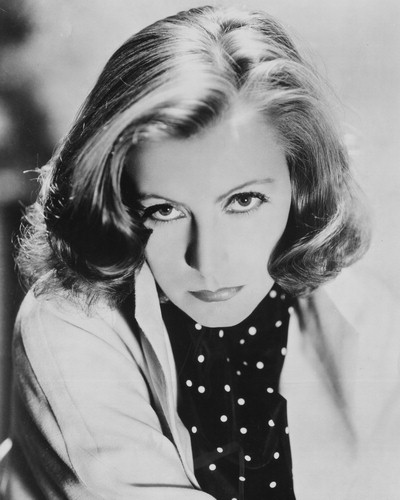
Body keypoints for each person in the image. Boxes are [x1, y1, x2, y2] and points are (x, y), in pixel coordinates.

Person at [2, 5, 400, 499]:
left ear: (300, 186)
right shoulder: (69, 322)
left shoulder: (364, 314)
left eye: (243, 201)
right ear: (117, 201)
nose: (208, 263)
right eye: (165, 210)